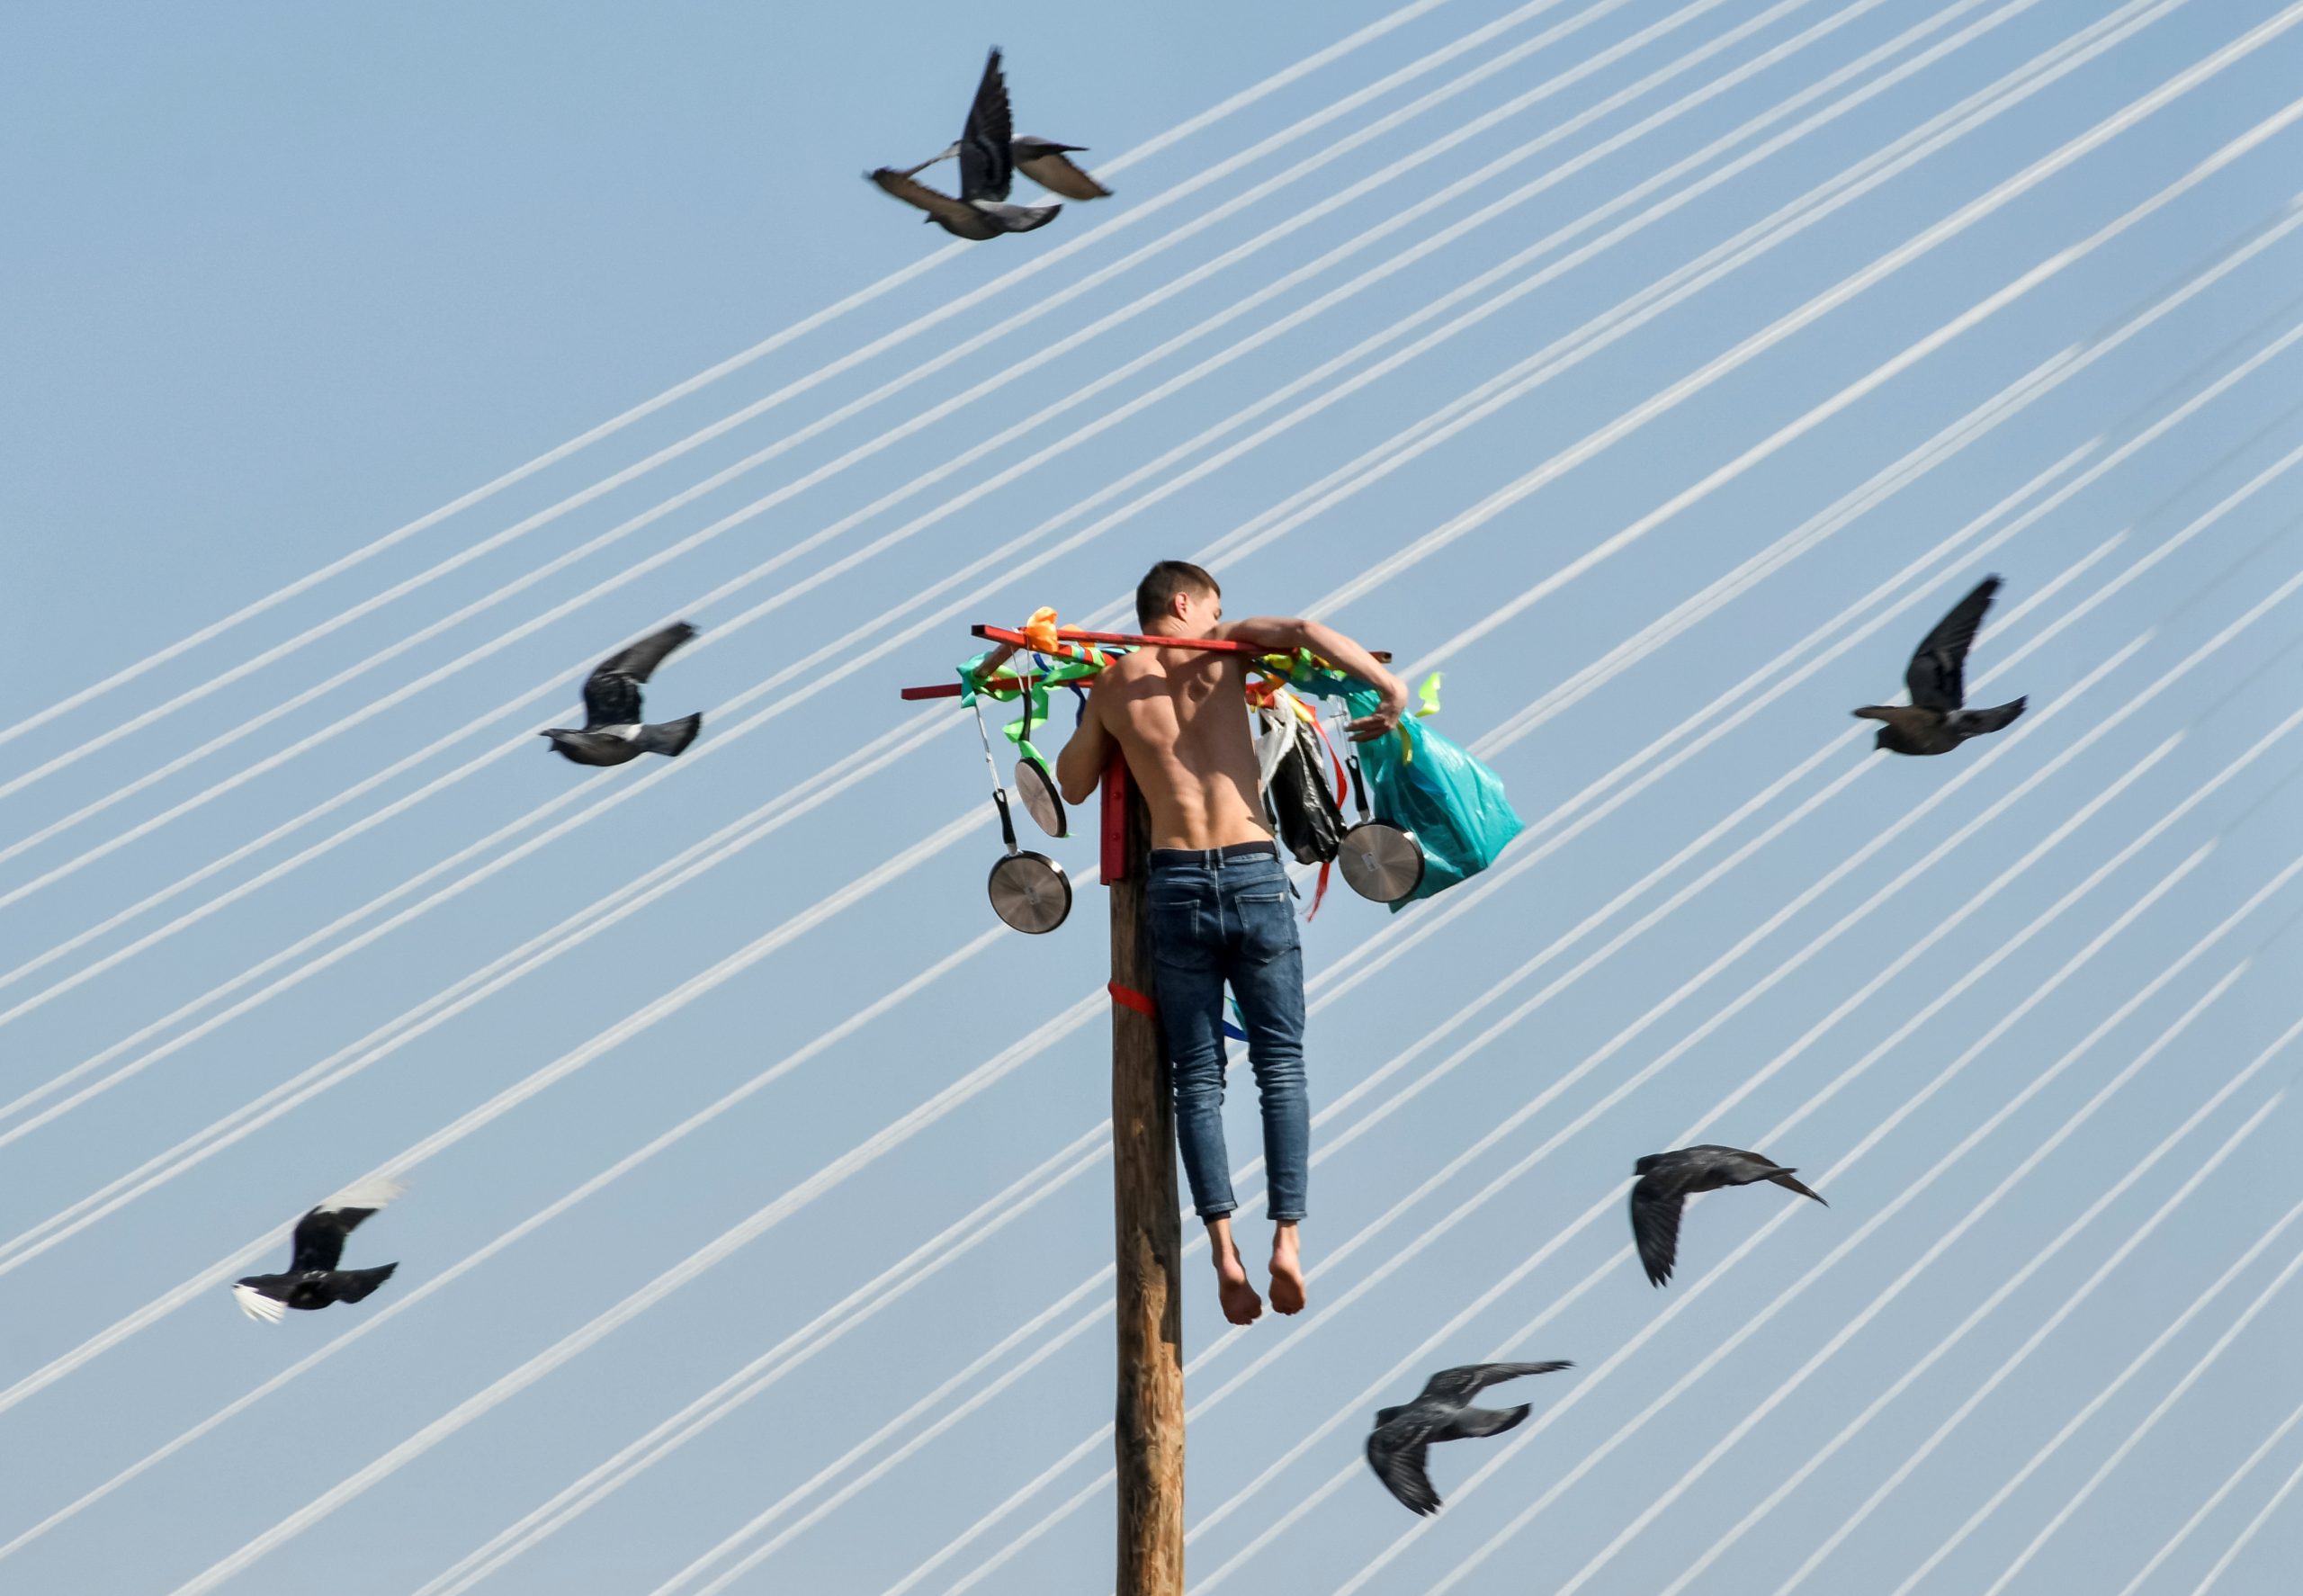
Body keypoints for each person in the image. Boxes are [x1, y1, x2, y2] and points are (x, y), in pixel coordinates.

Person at [1056, 560, 1406, 1325]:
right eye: (1215, 607)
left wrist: (1102, 713)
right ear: (1187, 603)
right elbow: (1306, 632)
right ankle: (1288, 1240)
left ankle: (1223, 1252)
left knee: (1197, 1079)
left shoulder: (1114, 685)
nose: (1221, 618)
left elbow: (1072, 784)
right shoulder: (1229, 651)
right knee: (1280, 1063)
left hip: (1176, 882)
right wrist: (1391, 689)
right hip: (1251, 871)